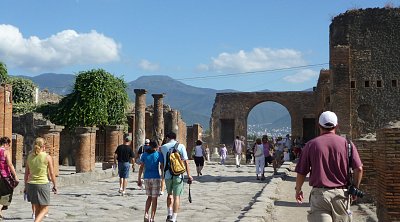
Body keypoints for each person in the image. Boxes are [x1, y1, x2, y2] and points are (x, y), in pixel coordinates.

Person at [295, 111, 363, 222]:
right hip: (341, 195)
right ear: (336, 125)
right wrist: (355, 188)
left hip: (320, 196)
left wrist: (298, 190)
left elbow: (302, 172)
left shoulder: (311, 145)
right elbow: (359, 169)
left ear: (319, 125)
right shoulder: (348, 144)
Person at [160, 132, 193, 222]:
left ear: (167, 138)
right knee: (177, 196)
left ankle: (169, 214)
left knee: (169, 195)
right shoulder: (181, 146)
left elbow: (162, 164)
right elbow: (186, 161)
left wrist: (162, 174)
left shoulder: (163, 147)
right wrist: (189, 175)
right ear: (175, 138)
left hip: (167, 174)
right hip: (178, 174)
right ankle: (174, 218)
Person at [24, 137, 57, 222]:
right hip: (42, 184)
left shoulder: (29, 156)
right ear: (44, 146)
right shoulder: (47, 157)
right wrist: (55, 185)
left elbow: (26, 173)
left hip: (31, 184)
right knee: (45, 209)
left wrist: (25, 186)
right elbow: (52, 173)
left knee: (38, 209)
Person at [137, 141, 164, 222]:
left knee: (149, 197)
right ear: (156, 147)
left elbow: (141, 167)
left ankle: (146, 213)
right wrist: (163, 175)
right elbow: (162, 166)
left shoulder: (144, 155)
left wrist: (139, 178)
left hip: (146, 177)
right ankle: (152, 218)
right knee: (154, 198)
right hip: (155, 177)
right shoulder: (158, 154)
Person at [0, 137, 19, 219]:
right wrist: (15, 176)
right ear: (6, 144)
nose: (9, 147)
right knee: (6, 194)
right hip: (4, 176)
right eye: (9, 145)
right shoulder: (5, 151)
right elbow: (10, 164)